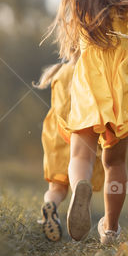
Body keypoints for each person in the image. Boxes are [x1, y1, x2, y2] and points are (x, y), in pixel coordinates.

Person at [43, 0, 128, 244]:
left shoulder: (82, 3)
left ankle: (80, 186)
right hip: (122, 90)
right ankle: (111, 228)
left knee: (81, 155)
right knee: (115, 163)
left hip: (88, 89)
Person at [34, 59, 104, 242]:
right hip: (81, 134)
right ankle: (79, 193)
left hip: (56, 135)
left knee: (56, 188)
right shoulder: (91, 69)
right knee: (81, 169)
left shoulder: (58, 72)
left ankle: (50, 206)